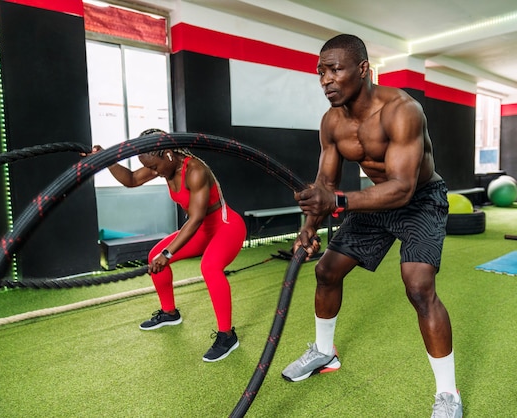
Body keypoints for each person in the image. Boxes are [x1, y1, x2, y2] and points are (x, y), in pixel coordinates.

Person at [280, 35, 463, 417]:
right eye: (321, 72)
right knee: (327, 271)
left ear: (363, 69)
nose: (326, 80)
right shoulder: (332, 122)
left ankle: (448, 394)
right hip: (376, 199)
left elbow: (403, 188)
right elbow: (325, 186)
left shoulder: (402, 110)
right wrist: (307, 230)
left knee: (419, 287)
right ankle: (324, 353)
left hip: (420, 200)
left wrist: (340, 202)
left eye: (335, 69)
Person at [90, 129, 246, 362]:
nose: (153, 172)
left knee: (210, 267)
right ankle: (170, 313)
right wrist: (106, 159)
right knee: (155, 256)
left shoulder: (195, 171)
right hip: (201, 230)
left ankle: (227, 335)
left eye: (154, 167)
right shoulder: (163, 165)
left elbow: (195, 218)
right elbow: (132, 180)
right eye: (149, 167)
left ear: (169, 155)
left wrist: (169, 252)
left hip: (226, 226)